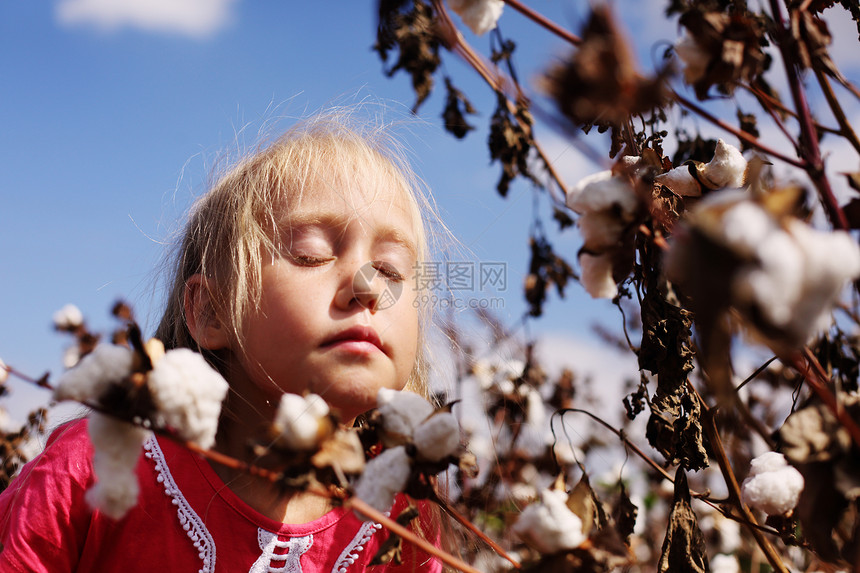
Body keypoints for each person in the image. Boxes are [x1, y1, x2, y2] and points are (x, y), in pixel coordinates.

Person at [0, 110, 446, 572]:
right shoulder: (94, 468)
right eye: (310, 254)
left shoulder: (403, 513)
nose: (370, 285)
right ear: (211, 311)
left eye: (392, 270)